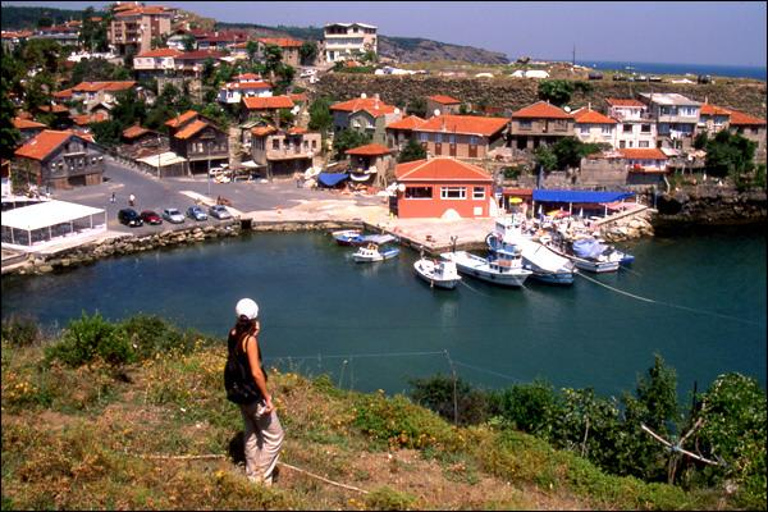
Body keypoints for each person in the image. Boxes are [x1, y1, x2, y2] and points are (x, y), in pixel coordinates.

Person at [229, 298, 284, 486]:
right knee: (275, 436)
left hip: (239, 394)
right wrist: (267, 397)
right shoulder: (249, 340)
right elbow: (255, 372)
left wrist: (254, 334)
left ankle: (252, 473)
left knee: (251, 433)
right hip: (253, 396)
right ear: (254, 317)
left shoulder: (234, 333)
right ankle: (260, 477)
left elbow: (240, 359)